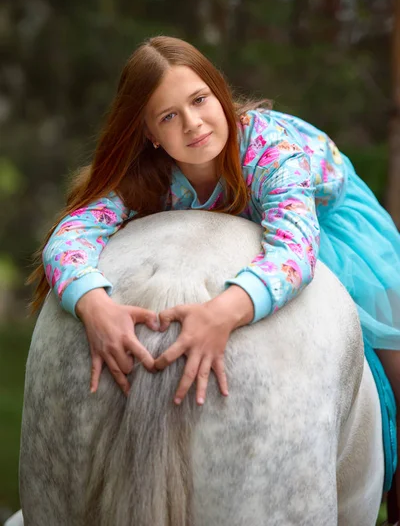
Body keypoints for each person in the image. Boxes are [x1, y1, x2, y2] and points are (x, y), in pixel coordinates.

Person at [29, 34, 400, 414]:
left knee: (393, 363)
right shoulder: (143, 176)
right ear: (149, 134)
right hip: (253, 216)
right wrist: (94, 306)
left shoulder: (270, 148)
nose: (193, 124)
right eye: (168, 116)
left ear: (219, 94)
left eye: (199, 100)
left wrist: (220, 314)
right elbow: (70, 235)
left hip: (323, 215)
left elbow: (295, 249)